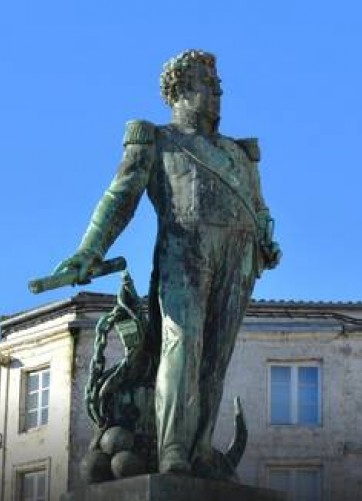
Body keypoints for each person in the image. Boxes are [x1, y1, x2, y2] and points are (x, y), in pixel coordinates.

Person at [54, 49, 281, 476]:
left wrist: (267, 235)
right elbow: (119, 198)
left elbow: (258, 206)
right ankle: (173, 448)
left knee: (216, 356)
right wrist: (90, 250)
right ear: (178, 90)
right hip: (185, 249)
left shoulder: (239, 153)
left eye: (217, 87)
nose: (216, 93)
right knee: (182, 348)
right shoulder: (156, 140)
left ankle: (198, 449)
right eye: (205, 85)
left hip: (238, 255)